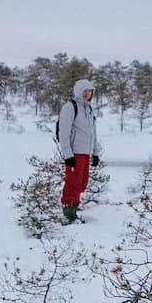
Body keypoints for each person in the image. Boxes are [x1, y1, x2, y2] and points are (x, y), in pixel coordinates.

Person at [55, 79, 102, 224]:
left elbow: (93, 133)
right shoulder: (70, 107)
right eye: (85, 91)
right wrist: (68, 154)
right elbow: (64, 133)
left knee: (82, 184)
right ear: (79, 92)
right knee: (73, 183)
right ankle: (68, 213)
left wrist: (95, 152)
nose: (87, 94)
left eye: (90, 92)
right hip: (74, 153)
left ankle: (74, 208)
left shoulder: (89, 109)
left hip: (86, 153)